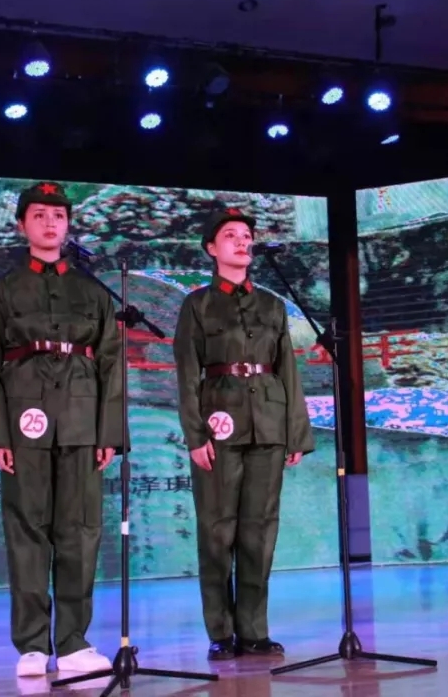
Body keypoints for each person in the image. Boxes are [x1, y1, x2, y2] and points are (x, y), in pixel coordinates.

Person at [0, 181, 122, 677]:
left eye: (57, 215)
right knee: (27, 532)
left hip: (81, 420)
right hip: (24, 422)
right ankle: (32, 646)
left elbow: (111, 364)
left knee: (80, 532)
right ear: (22, 225)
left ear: (68, 225)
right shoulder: (1, 291)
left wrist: (109, 433)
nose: (50, 223)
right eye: (39, 215)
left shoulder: (93, 291)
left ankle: (75, 642)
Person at [173, 208, 315, 660]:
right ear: (211, 249)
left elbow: (287, 371)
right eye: (230, 235)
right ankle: (220, 631)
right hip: (220, 423)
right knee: (217, 530)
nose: (241, 241)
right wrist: (195, 435)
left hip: (268, 424)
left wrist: (295, 433)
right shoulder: (197, 304)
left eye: (246, 234)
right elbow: (186, 374)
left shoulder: (272, 305)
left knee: (259, 530)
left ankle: (253, 630)